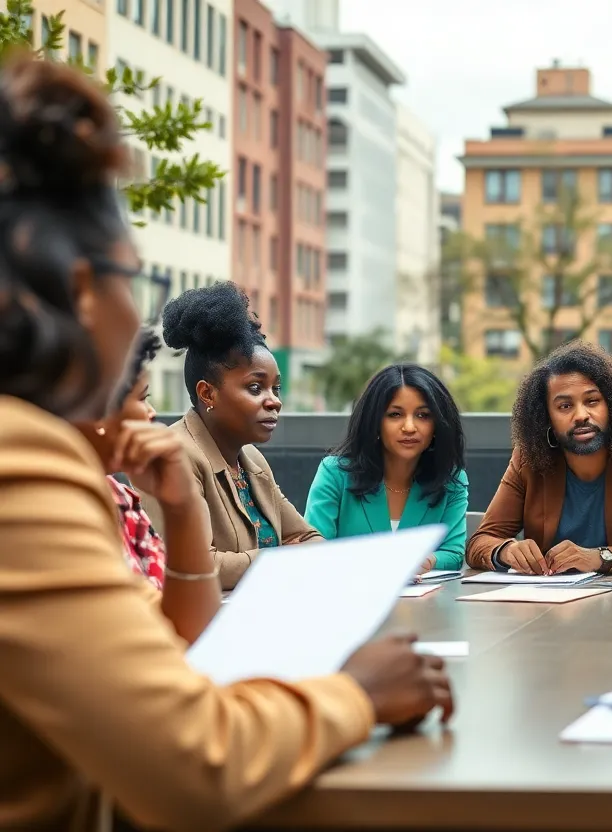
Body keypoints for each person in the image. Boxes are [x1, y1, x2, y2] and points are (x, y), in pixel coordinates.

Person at [0, 54, 451, 831]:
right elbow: (193, 767)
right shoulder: (23, 462)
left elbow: (176, 651)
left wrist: (180, 514)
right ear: (82, 290)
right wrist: (354, 693)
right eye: (128, 279)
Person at [148, 280, 321, 589]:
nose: (274, 400)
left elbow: (309, 538)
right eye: (255, 387)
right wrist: (282, 557)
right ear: (208, 394)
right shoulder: (174, 454)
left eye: (275, 388)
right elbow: (200, 566)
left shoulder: (251, 459)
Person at [467, 341, 612, 576]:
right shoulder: (527, 461)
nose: (581, 415)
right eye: (565, 406)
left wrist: (599, 557)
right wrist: (505, 551)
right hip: (547, 600)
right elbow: (480, 542)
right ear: (545, 418)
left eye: (592, 401)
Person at [73, 326, 221, 643]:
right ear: (97, 408)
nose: (152, 413)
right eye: (142, 398)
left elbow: (191, 630)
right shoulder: (53, 509)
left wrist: (183, 507)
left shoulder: (123, 499)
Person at [306, 364, 469, 572]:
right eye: (395, 414)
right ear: (374, 421)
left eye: (423, 415)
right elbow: (313, 551)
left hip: (423, 601)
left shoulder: (452, 480)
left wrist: (424, 562)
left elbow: (453, 554)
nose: (409, 427)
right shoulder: (335, 473)